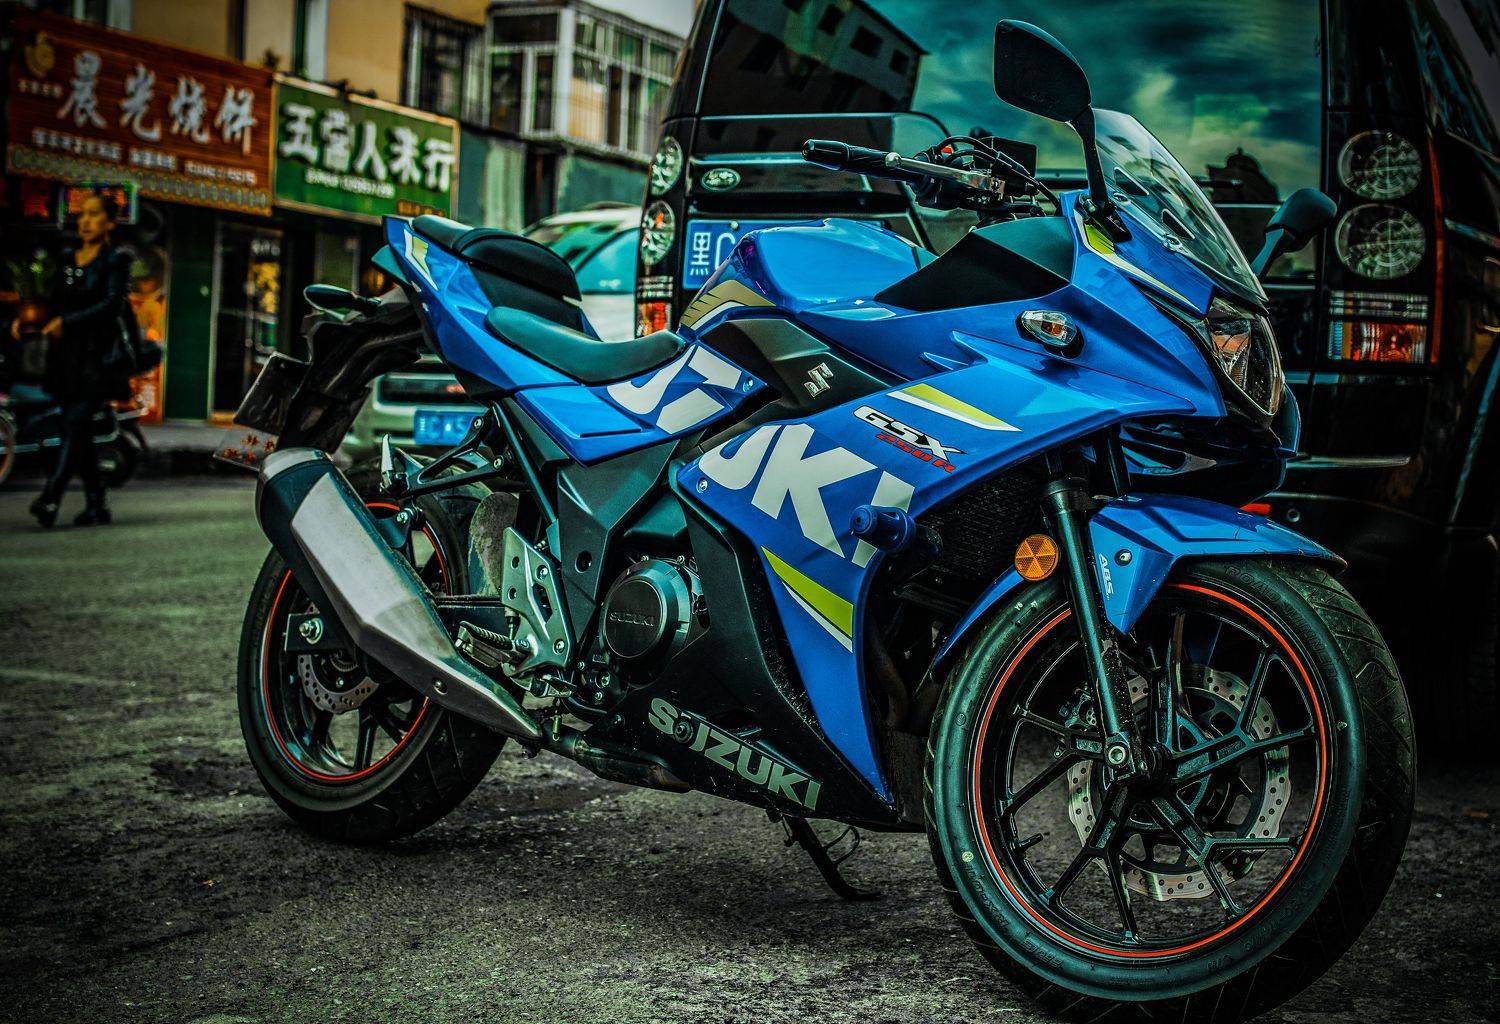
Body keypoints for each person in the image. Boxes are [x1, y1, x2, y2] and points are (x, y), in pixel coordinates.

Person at [9, 191, 132, 527]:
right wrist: (28, 320)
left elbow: (111, 306)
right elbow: (54, 300)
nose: (86, 221)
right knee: (78, 430)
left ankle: (51, 496)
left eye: (94, 215)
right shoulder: (67, 258)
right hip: (65, 358)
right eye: (83, 215)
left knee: (73, 423)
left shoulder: (115, 261)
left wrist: (68, 322)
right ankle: (96, 503)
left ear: (109, 223)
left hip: (97, 360)